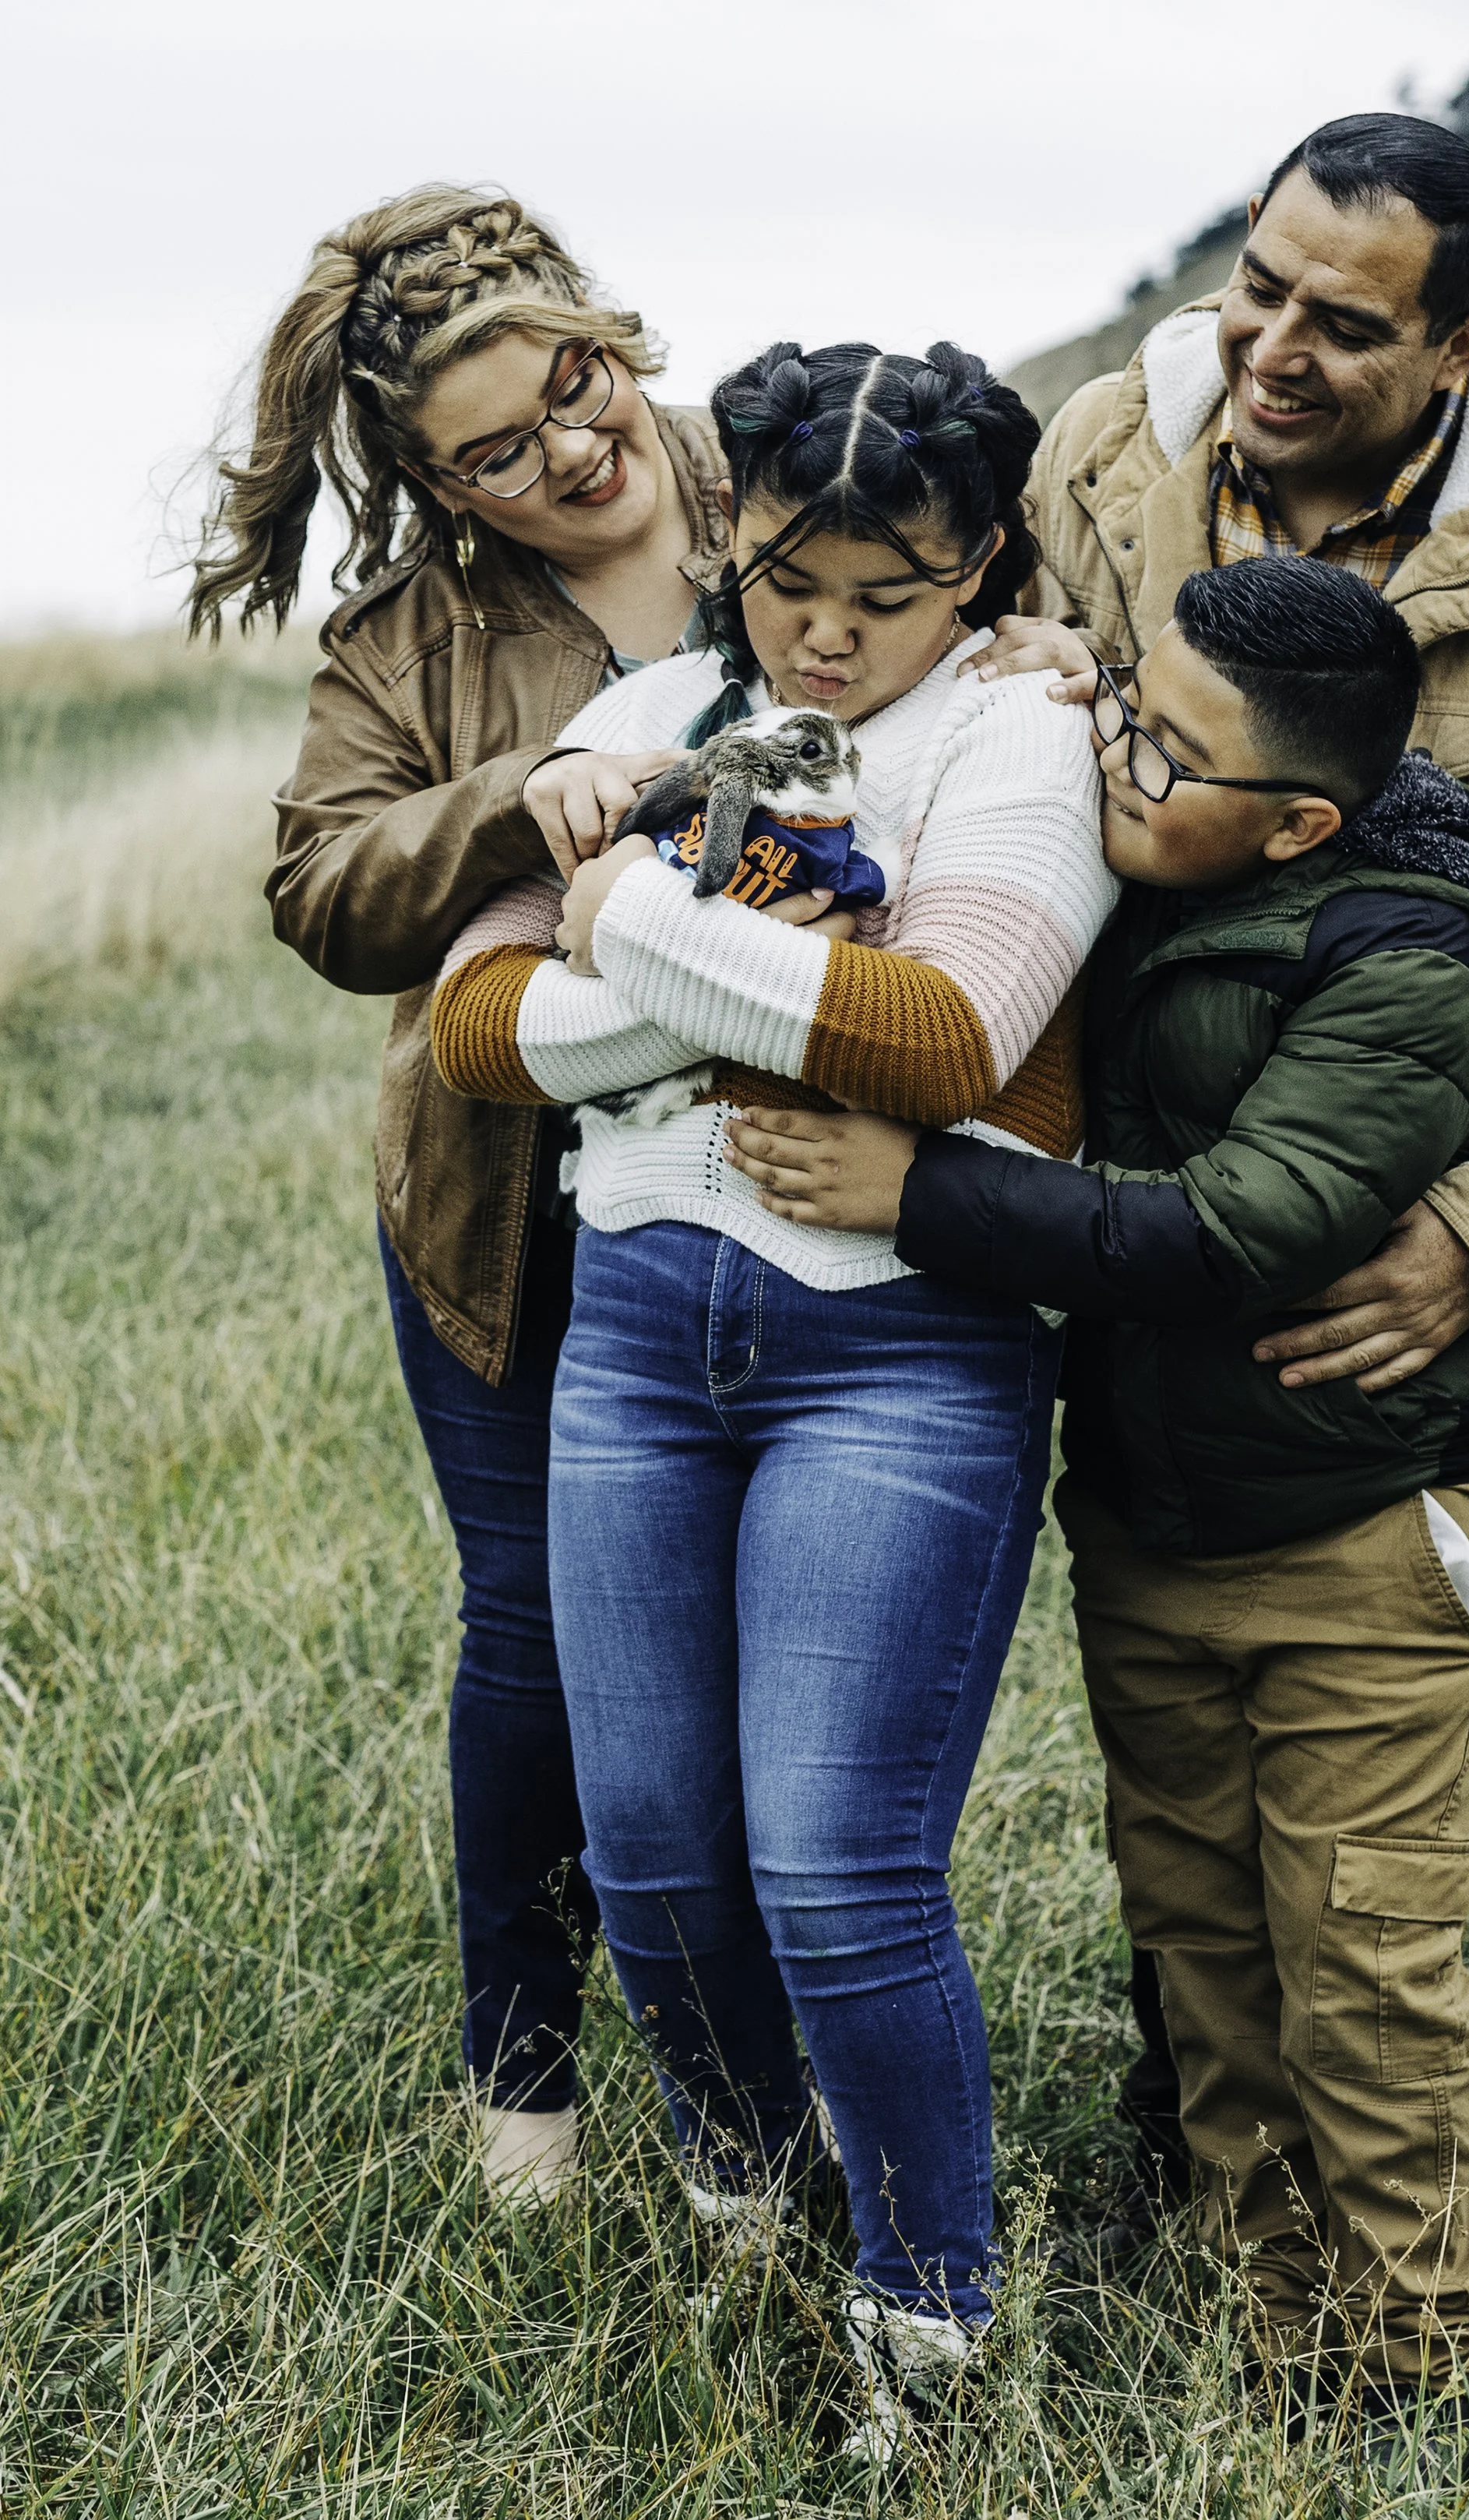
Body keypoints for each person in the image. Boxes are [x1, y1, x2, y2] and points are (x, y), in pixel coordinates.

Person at [973, 112, 1469, 2351]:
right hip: (1146, 1226)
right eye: (1259, 284)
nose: (1275, 346)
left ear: (1460, 339)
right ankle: (1234, 2218)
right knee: (1197, 1775)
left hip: (1442, 1274)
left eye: (1343, 319)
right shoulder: (1101, 465)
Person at [720, 552, 1469, 2417]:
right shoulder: (1152, 847)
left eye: (1159, 747)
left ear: (1296, 827)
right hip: (1149, 1521)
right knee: (1199, 1947)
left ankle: (1410, 2383)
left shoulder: (1408, 958)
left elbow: (1238, 1229)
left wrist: (916, 1197)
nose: (1110, 754)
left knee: (1359, 1968)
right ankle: (1270, 2332)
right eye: (1124, 701)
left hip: (1360, 1531)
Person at [428, 340, 1116, 2456]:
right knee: (650, 1856)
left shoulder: (1020, 729)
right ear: (736, 532)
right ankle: (746, 2203)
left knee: (832, 1862)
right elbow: (470, 1030)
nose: (824, 628)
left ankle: (928, 2332)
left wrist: (626, 914)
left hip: (895, 1349)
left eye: (886, 591)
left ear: (978, 564)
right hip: (633, 1339)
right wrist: (719, 999)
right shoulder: (645, 721)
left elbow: (945, 1029)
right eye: (790, 574)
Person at [188, 184, 731, 2202]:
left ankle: (741, 2076)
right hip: (511, 1209)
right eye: (491, 452)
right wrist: (517, 790)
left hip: (791, 1181)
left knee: (746, 1652)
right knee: (538, 1634)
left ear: (612, 331)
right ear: (428, 481)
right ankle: (524, 2084)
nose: (564, 454)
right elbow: (319, 890)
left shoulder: (795, 481)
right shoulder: (409, 640)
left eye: (570, 388)